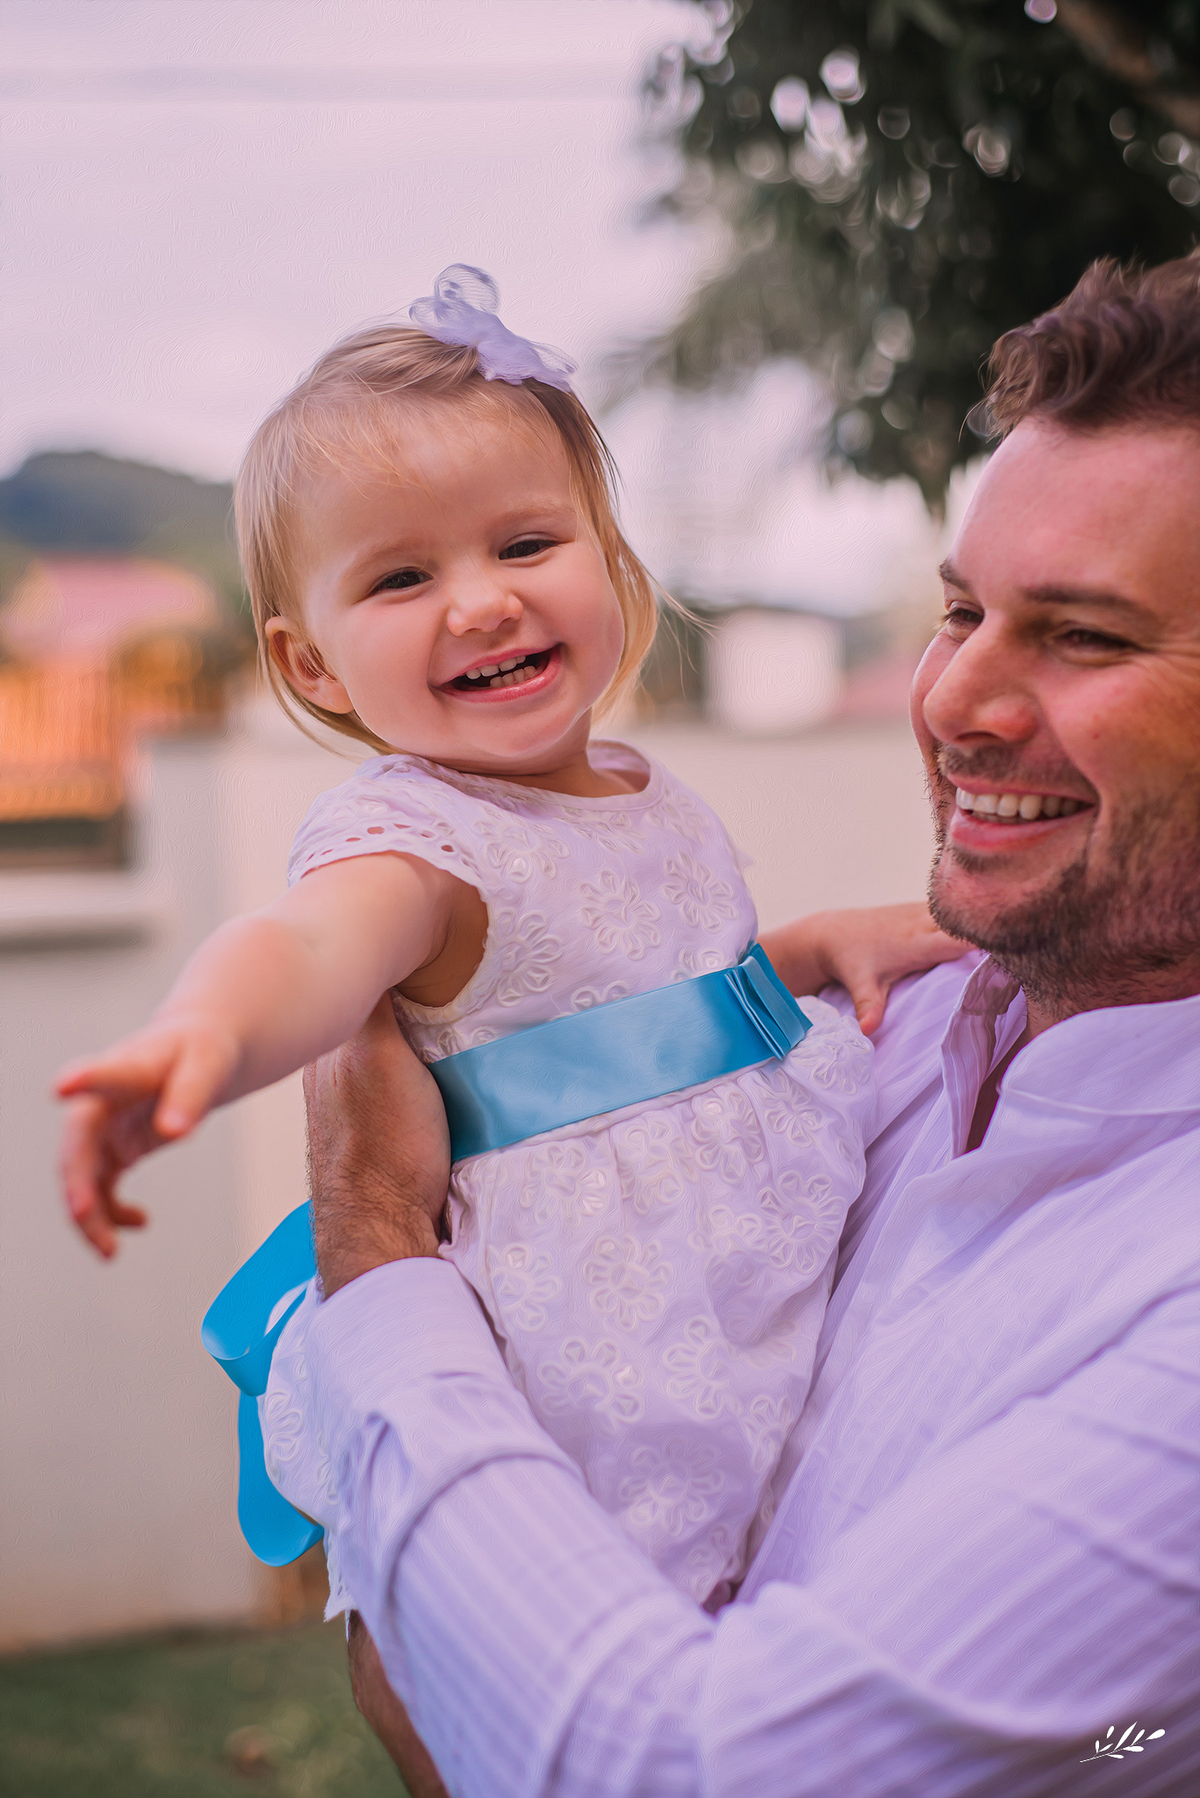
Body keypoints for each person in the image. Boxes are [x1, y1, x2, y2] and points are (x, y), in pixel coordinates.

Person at [262, 254, 1200, 1797]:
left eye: (1084, 635)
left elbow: (681, 1771)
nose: (958, 697)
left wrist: (376, 1255)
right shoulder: (884, 1038)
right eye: (961, 608)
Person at [54, 266, 961, 1605]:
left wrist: (815, 950)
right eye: (405, 575)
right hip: (598, 1344)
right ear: (311, 665)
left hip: (753, 1292)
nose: (479, 600)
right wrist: (202, 1033)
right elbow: (306, 950)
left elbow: (659, 1003)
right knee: (631, 1645)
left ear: (610, 560)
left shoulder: (645, 786)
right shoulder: (418, 844)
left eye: (525, 546)